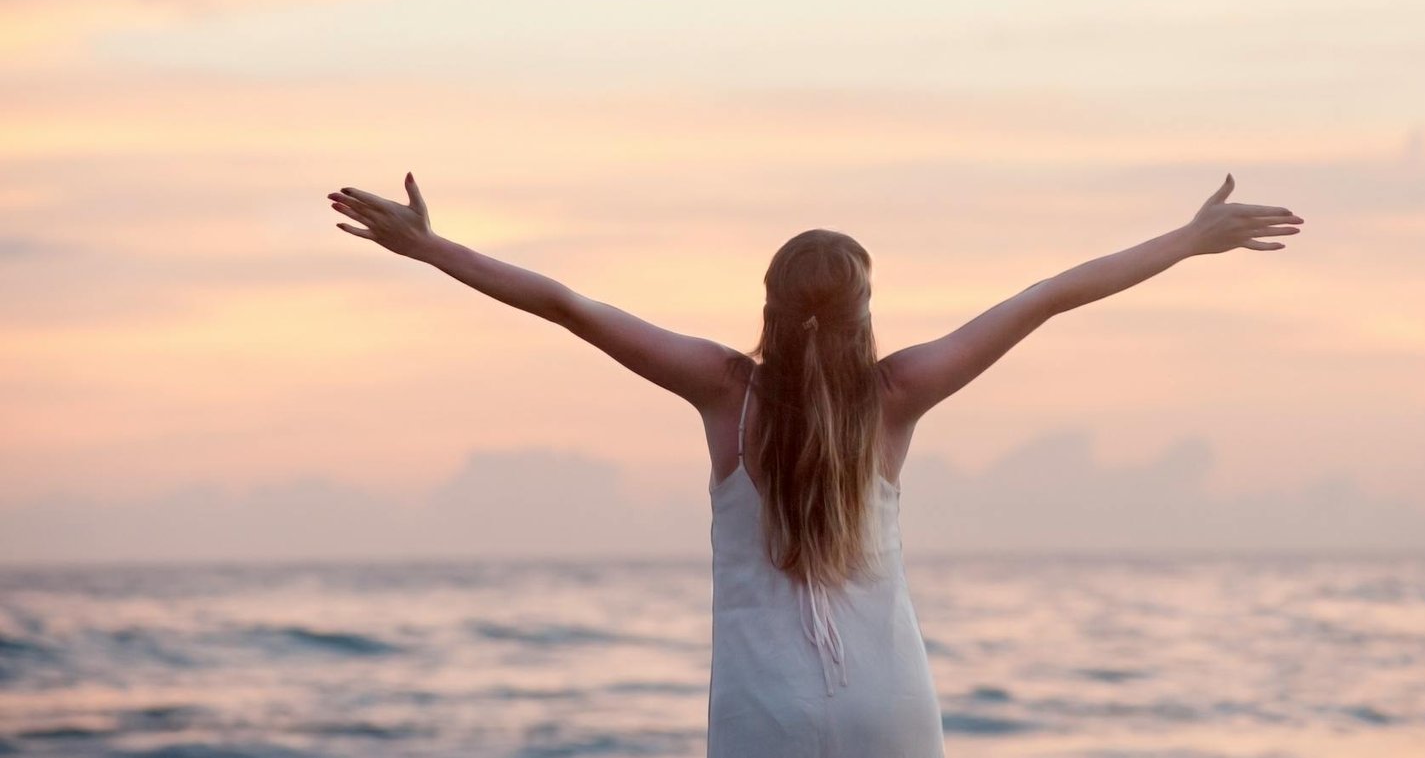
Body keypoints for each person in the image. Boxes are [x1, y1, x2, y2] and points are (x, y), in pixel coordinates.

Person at [326, 172, 1302, 757]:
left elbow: (568, 304)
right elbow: (1048, 295)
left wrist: (430, 248)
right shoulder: (900, 392)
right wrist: (1187, 240)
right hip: (887, 702)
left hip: (766, 712)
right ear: (864, 309)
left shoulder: (722, 391)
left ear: (769, 299)